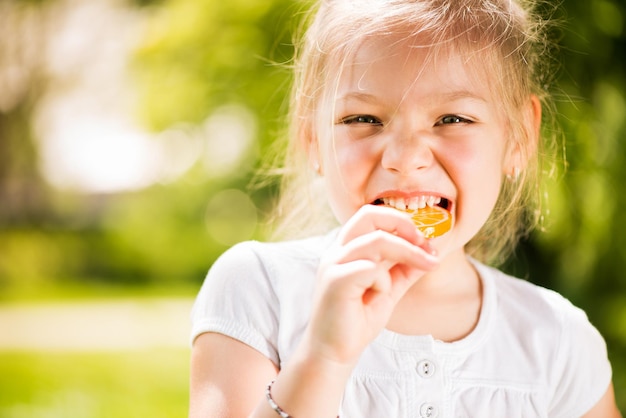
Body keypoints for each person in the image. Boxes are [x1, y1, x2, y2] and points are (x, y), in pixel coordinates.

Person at [189, 0, 621, 416]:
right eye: (363, 119)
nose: (405, 156)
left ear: (520, 136)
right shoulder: (259, 290)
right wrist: (323, 358)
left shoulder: (560, 340)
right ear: (312, 139)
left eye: (453, 119)